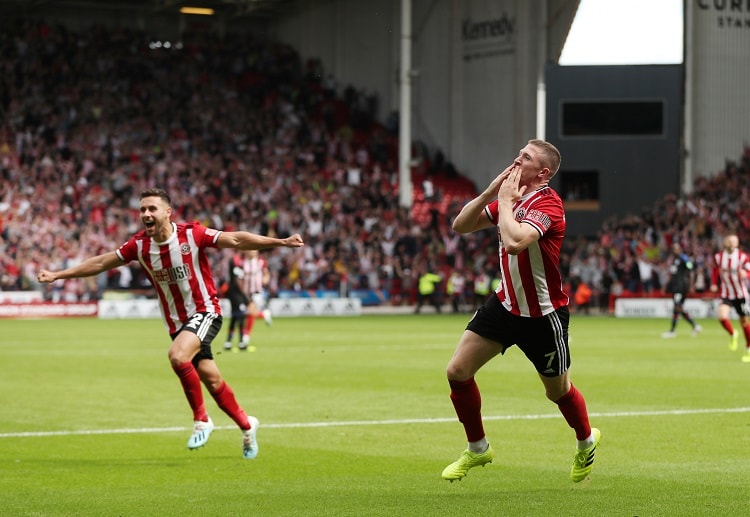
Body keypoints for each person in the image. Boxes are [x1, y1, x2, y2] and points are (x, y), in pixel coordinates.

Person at [37, 188, 304, 458]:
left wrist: (280, 242)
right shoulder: (139, 245)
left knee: (177, 356)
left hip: (205, 311)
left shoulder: (192, 234)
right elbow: (102, 262)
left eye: (152, 208)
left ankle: (202, 419)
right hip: (177, 323)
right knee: (212, 380)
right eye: (142, 209)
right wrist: (59, 275)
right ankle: (247, 426)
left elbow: (235, 239)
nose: (146, 214)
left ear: (168, 212)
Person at [441, 139, 600, 483]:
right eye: (519, 152)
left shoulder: (549, 204)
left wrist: (504, 203)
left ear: (542, 172)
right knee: (457, 370)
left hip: (543, 316)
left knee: (557, 392)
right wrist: (489, 194)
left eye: (525, 157)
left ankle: (586, 440)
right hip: (505, 305)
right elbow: (461, 226)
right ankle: (478, 449)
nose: (516, 159)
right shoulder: (509, 200)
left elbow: (514, 243)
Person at [710, 234, 750, 361]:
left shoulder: (743, 257)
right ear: (724, 243)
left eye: (734, 241)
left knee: (744, 321)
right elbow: (715, 270)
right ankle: (733, 333)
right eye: (729, 241)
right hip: (726, 293)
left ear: (737, 244)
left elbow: (749, 271)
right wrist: (714, 283)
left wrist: (746, 274)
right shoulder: (718, 257)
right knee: (722, 316)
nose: (732, 243)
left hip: (741, 294)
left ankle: (749, 347)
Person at [661, 242, 702, 338]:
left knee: (678, 307)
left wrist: (692, 285)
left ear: (680, 249)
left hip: (681, 286)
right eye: (673, 249)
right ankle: (694, 326)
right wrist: (666, 286)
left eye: (676, 248)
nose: (674, 250)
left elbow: (691, 270)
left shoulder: (684, 258)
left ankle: (673, 331)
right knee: (677, 308)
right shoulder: (675, 260)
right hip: (675, 287)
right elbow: (672, 274)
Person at [222, 252, 251, 352]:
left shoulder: (238, 260)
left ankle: (228, 342)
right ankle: (242, 342)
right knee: (241, 316)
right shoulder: (235, 260)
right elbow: (236, 279)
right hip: (236, 293)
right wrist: (244, 295)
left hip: (234, 292)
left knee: (234, 317)